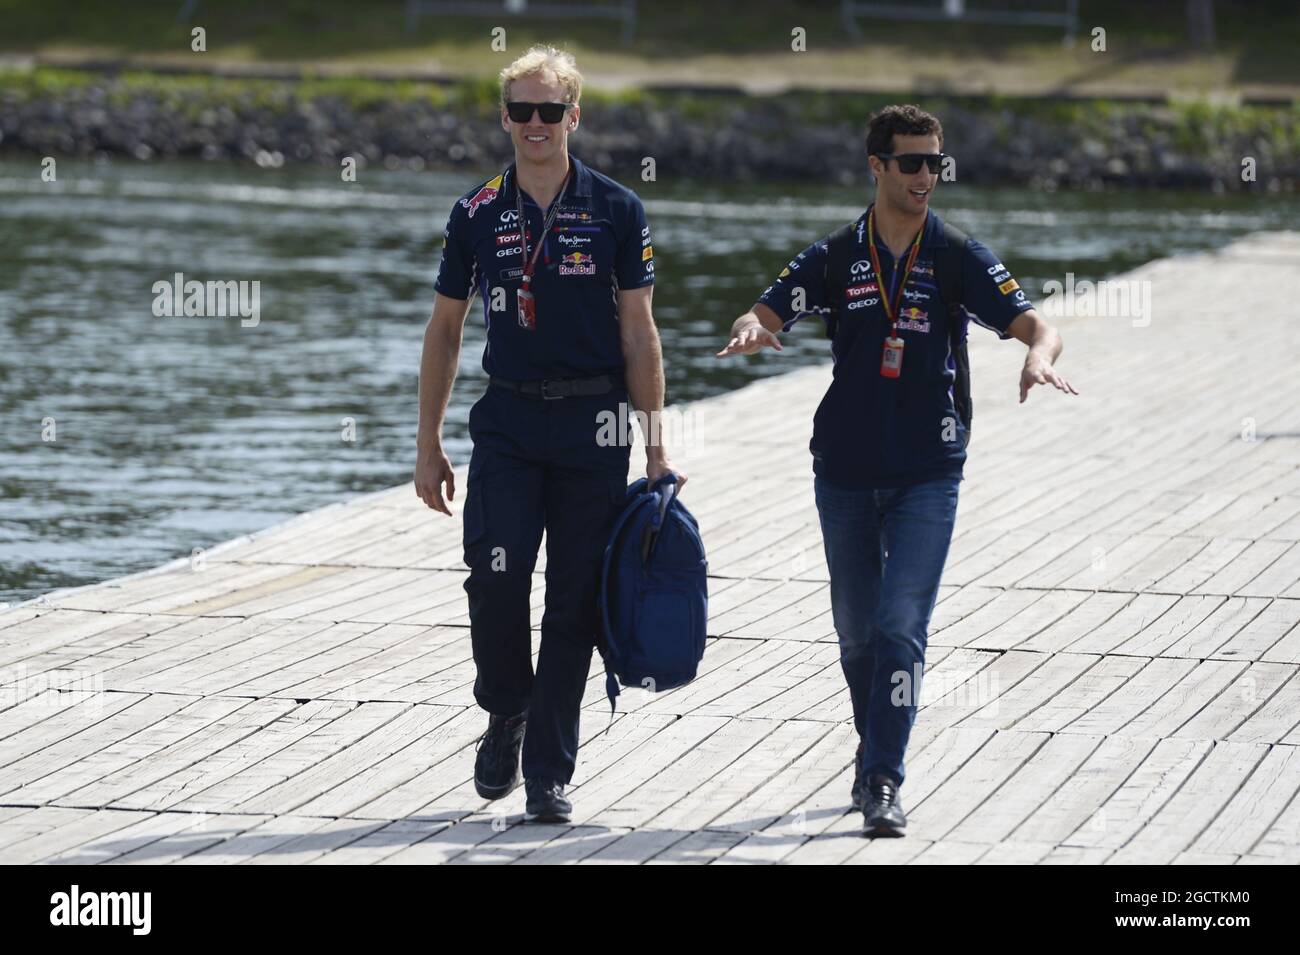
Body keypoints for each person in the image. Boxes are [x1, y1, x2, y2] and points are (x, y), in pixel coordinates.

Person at [716, 104, 1077, 837]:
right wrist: (751, 330)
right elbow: (762, 313)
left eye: (935, 163)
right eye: (910, 162)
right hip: (844, 469)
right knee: (857, 636)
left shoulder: (954, 255)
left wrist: (1038, 356)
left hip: (926, 470)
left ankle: (883, 777)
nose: (925, 177)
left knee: (900, 625)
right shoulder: (836, 256)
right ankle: (874, 742)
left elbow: (1037, 323)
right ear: (876, 166)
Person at [414, 45, 680, 823]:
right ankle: (506, 707)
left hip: (595, 425)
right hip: (509, 421)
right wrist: (427, 441)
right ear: (504, 118)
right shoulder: (476, 212)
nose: (536, 124)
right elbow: (445, 330)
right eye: (521, 111)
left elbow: (641, 335)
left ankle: (549, 773)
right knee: (494, 580)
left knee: (573, 601)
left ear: (575, 116)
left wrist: (657, 448)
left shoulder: (617, 210)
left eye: (550, 111)